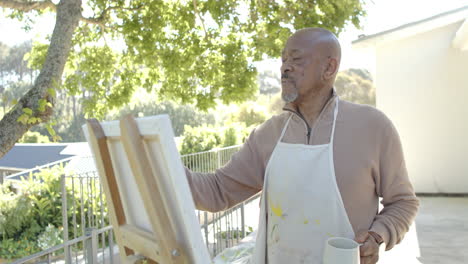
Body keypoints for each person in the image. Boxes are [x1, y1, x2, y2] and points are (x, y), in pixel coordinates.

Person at [185, 27, 419, 264]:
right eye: (283, 60)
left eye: (296, 59)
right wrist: (159, 165)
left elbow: (403, 202)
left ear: (329, 67)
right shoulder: (267, 134)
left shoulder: (373, 127)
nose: (284, 67)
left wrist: (378, 236)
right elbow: (216, 192)